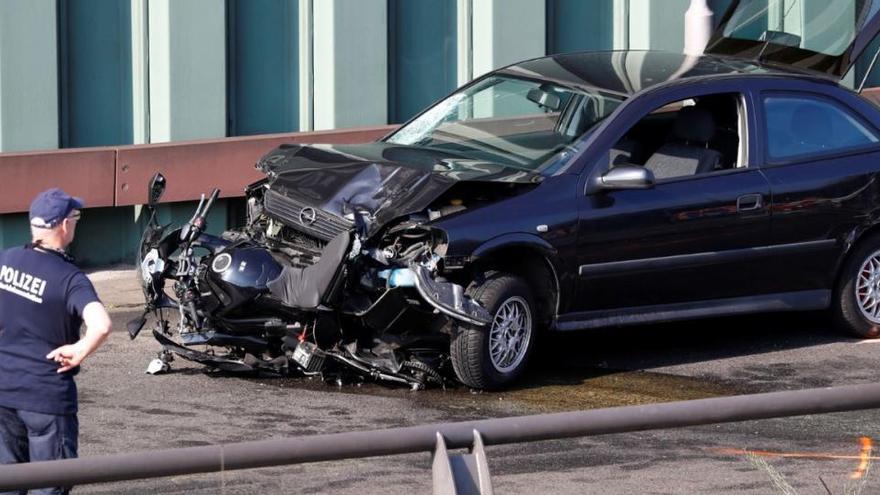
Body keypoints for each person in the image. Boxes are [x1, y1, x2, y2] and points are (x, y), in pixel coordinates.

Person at [0, 188, 111, 495]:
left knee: (8, 484)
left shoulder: (5, 260)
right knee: (50, 486)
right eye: (75, 217)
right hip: (46, 398)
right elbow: (101, 324)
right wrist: (80, 350)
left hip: (4, 392)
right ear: (64, 225)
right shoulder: (70, 278)